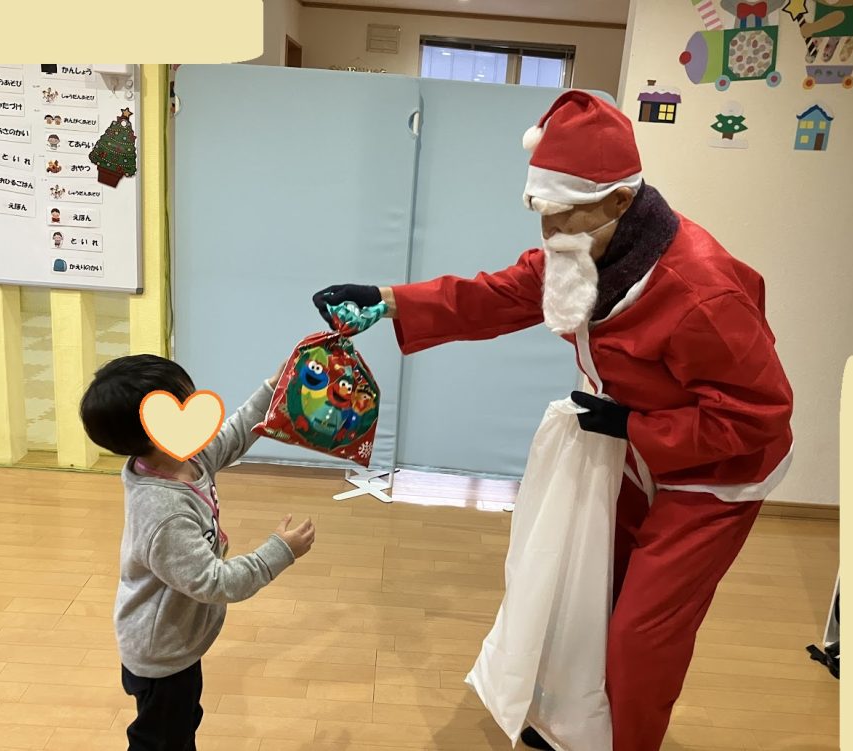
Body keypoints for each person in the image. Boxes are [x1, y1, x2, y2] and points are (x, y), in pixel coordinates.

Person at [311, 91, 793, 751]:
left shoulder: (702, 292)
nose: (549, 233)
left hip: (716, 476)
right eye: (542, 215)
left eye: (563, 215)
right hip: (631, 444)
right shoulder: (584, 245)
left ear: (619, 201)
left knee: (642, 634)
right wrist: (387, 299)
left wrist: (635, 428)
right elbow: (498, 294)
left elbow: (757, 417)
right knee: (588, 594)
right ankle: (577, 727)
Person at [80, 354, 316, 751]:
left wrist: (274, 389)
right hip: (160, 653)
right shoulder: (164, 513)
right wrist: (278, 552)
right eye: (184, 406)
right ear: (156, 432)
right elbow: (215, 582)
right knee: (161, 740)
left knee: (182, 723)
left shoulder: (184, 458)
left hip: (179, 639)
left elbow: (235, 434)